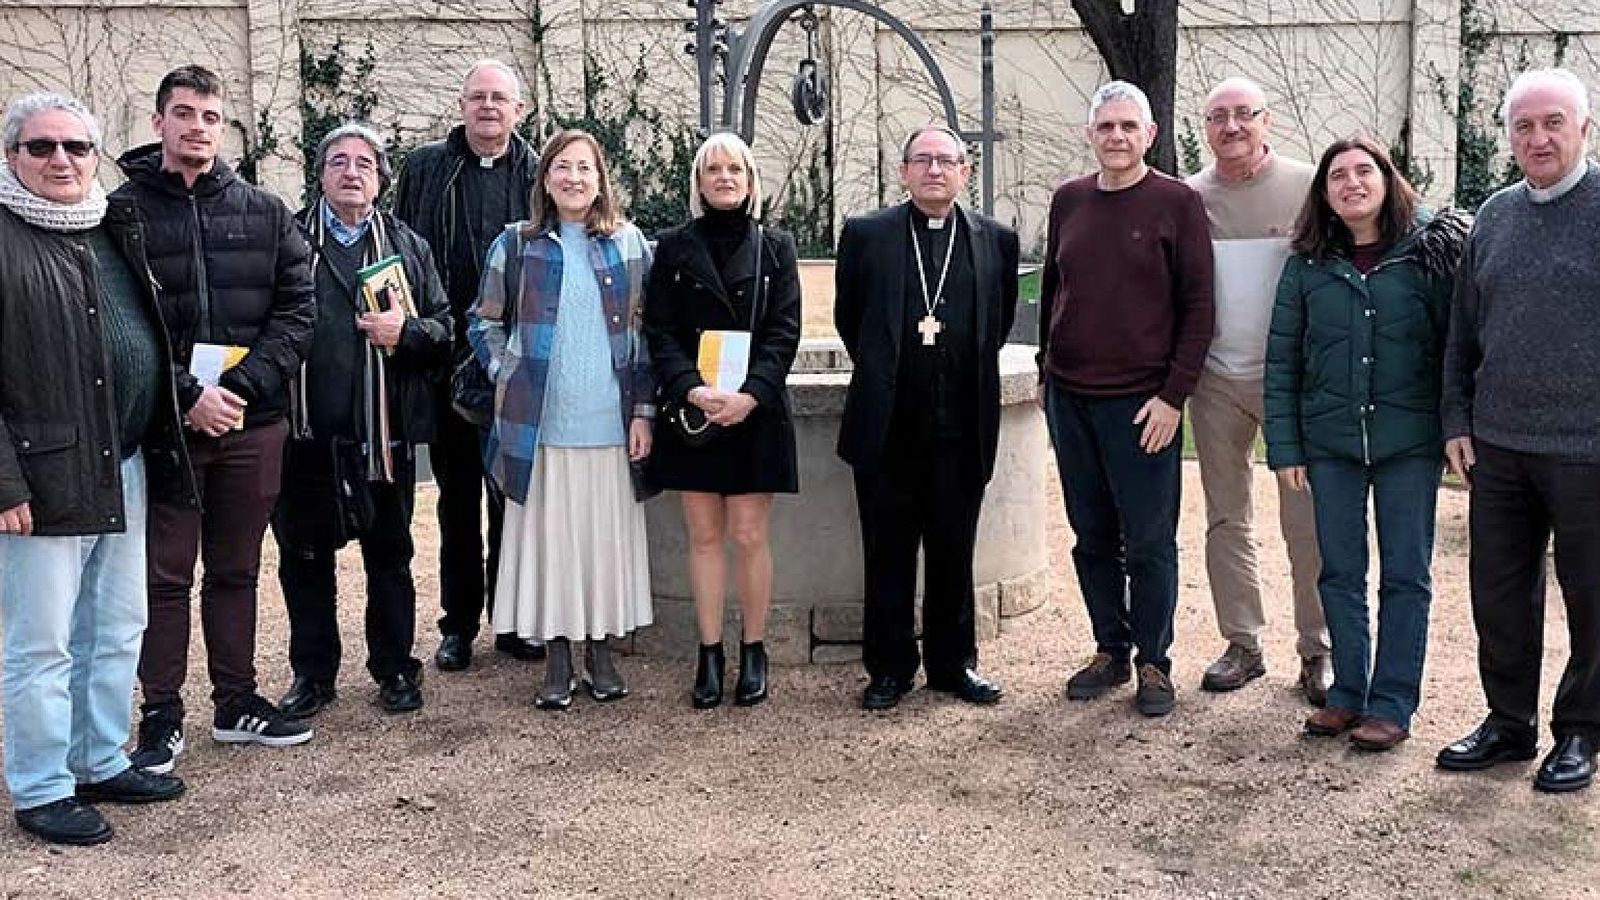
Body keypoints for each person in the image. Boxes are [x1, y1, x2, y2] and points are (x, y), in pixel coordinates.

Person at [113, 65, 317, 773]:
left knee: (236, 568)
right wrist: (183, 394)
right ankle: (160, 715)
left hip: (250, 424)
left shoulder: (265, 212)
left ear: (223, 125)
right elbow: (117, 325)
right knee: (164, 576)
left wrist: (239, 387)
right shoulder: (121, 213)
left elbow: (299, 311)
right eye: (183, 113)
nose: (197, 126)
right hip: (164, 427)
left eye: (209, 115)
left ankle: (236, 702)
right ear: (158, 123)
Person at [0, 92, 190, 845]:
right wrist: (4, 480)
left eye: (77, 148)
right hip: (41, 479)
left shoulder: (109, 228)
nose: (61, 161)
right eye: (42, 147)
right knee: (42, 641)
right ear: (12, 157)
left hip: (125, 460)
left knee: (116, 625)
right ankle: (43, 785)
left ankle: (99, 755)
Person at [1264, 137, 1467, 751]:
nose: (1351, 183)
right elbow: (1281, 361)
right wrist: (1286, 447)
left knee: (1406, 573)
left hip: (1409, 442)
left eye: (1364, 171)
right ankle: (1348, 691)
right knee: (1340, 572)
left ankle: (1393, 702)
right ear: (1323, 194)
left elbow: (1455, 349)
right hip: (1330, 445)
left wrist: (1457, 424)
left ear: (1386, 179)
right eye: (1337, 177)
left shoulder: (1427, 254)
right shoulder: (1306, 264)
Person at [1437, 68, 1600, 792]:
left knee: (1592, 596)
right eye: (1524, 127)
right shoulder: (1495, 216)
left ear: (1584, 129)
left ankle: (1583, 732)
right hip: (1499, 445)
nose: (1538, 138)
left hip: (1589, 448)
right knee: (1499, 594)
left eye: (1553, 123)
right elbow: (1462, 333)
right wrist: (1456, 419)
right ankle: (1509, 723)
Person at [1040, 80, 1214, 718]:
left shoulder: (1178, 204)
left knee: (1148, 539)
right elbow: (1056, 288)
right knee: (1090, 536)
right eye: (1105, 126)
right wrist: (1044, 368)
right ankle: (1110, 648)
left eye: (1127, 127)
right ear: (1091, 134)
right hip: (1071, 400)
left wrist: (1174, 397)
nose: (1116, 137)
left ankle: (1154, 661)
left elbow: (1199, 308)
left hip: (1143, 405)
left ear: (1149, 135)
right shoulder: (1069, 201)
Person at [835, 124, 1020, 711]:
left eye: (947, 160)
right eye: (923, 160)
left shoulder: (997, 239)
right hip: (889, 426)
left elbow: (999, 319)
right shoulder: (867, 235)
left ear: (965, 171)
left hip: (961, 426)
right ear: (904, 171)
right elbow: (850, 319)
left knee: (952, 549)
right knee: (887, 552)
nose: (935, 170)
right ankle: (889, 669)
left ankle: (953, 664)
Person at [271, 124, 454, 718]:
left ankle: (396, 669)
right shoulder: (290, 242)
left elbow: (444, 330)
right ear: (320, 174)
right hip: (304, 436)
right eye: (339, 162)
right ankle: (313, 674)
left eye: (365, 165)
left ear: (380, 177)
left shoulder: (408, 246)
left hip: (384, 433)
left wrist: (410, 332)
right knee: (304, 558)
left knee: (390, 556)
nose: (352, 173)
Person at [469, 129, 655, 710]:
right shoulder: (516, 245)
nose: (574, 178)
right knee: (551, 544)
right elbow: (483, 319)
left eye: (585, 168)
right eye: (563, 168)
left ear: (601, 180)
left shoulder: (629, 245)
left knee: (599, 544)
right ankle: (555, 656)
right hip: (540, 426)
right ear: (546, 179)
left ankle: (600, 652)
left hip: (609, 421)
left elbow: (649, 335)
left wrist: (644, 411)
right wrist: (507, 371)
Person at [392, 59, 543, 672]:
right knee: (456, 501)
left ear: (519, 110)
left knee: (514, 497)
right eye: (477, 97)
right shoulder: (427, 169)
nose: (488, 107)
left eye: (499, 98)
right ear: (462, 105)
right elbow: (402, 252)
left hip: (520, 365)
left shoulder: (540, 172)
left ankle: (513, 619)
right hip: (448, 360)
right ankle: (457, 625)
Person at [1185, 77, 1331, 704]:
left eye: (1245, 114)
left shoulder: (1308, 187)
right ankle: (1242, 643)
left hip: (1292, 382)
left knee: (1307, 521)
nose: (1233, 126)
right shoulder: (1188, 198)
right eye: (1219, 116)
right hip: (1215, 381)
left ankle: (1318, 648)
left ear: (1267, 121)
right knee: (1226, 516)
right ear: (1206, 127)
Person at [645, 132, 802, 708]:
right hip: (697, 413)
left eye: (735, 168)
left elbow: (786, 331)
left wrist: (751, 395)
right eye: (713, 169)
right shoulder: (672, 246)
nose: (725, 177)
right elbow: (658, 331)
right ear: (699, 181)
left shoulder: (778, 247)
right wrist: (691, 388)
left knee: (748, 534)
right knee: (705, 537)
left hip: (753, 413)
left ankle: (754, 649)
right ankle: (710, 653)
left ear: (751, 178)